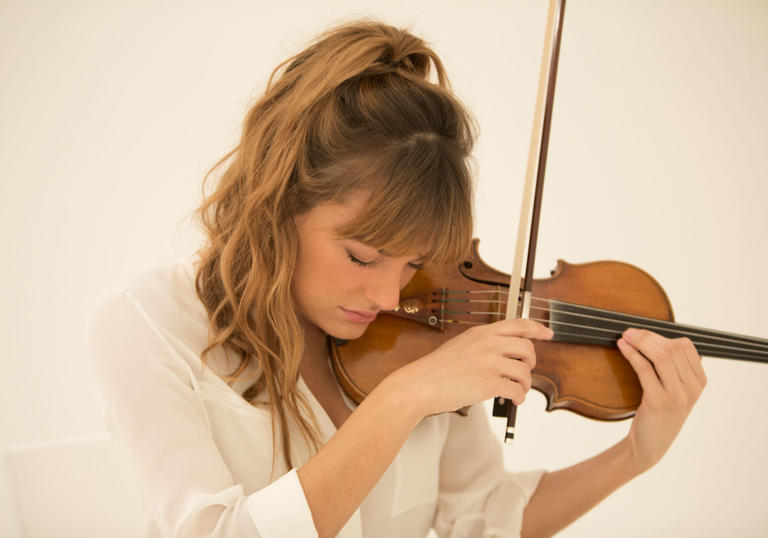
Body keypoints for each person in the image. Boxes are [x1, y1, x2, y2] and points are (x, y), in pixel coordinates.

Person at [86, 20, 707, 538]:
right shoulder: (147, 324)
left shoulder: (426, 321)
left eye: (413, 262)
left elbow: (481, 514)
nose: (390, 297)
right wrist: (404, 399)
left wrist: (637, 455)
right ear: (278, 203)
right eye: (362, 256)